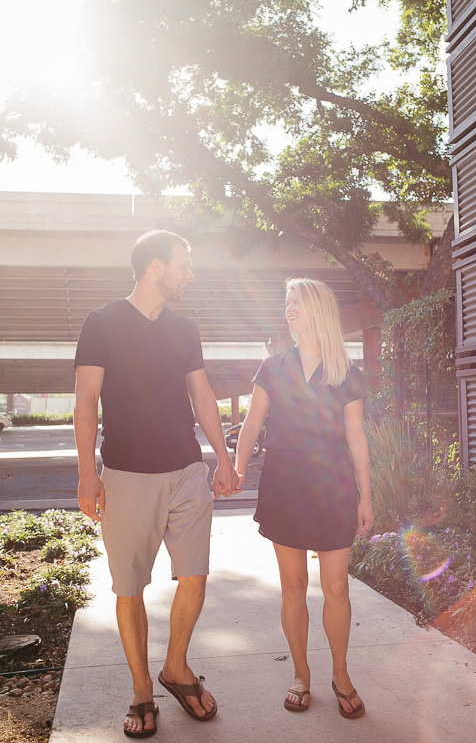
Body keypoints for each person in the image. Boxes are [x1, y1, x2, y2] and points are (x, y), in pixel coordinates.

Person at [74, 230, 240, 738]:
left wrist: (223, 457)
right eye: (183, 265)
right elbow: (85, 402)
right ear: (154, 267)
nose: (189, 275)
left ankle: (175, 667)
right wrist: (86, 472)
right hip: (125, 475)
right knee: (130, 588)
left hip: (187, 472)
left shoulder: (185, 328)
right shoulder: (101, 323)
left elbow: (202, 394)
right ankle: (142, 689)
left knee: (194, 575)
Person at [235, 277, 373, 718]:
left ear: (317, 310)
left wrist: (365, 494)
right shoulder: (273, 367)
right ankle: (301, 673)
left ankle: (341, 673)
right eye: (286, 302)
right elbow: (253, 424)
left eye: (296, 302)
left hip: (334, 486)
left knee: (336, 586)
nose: (288, 310)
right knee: (293, 585)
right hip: (285, 485)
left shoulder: (348, 374)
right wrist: (236, 468)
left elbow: (356, 437)